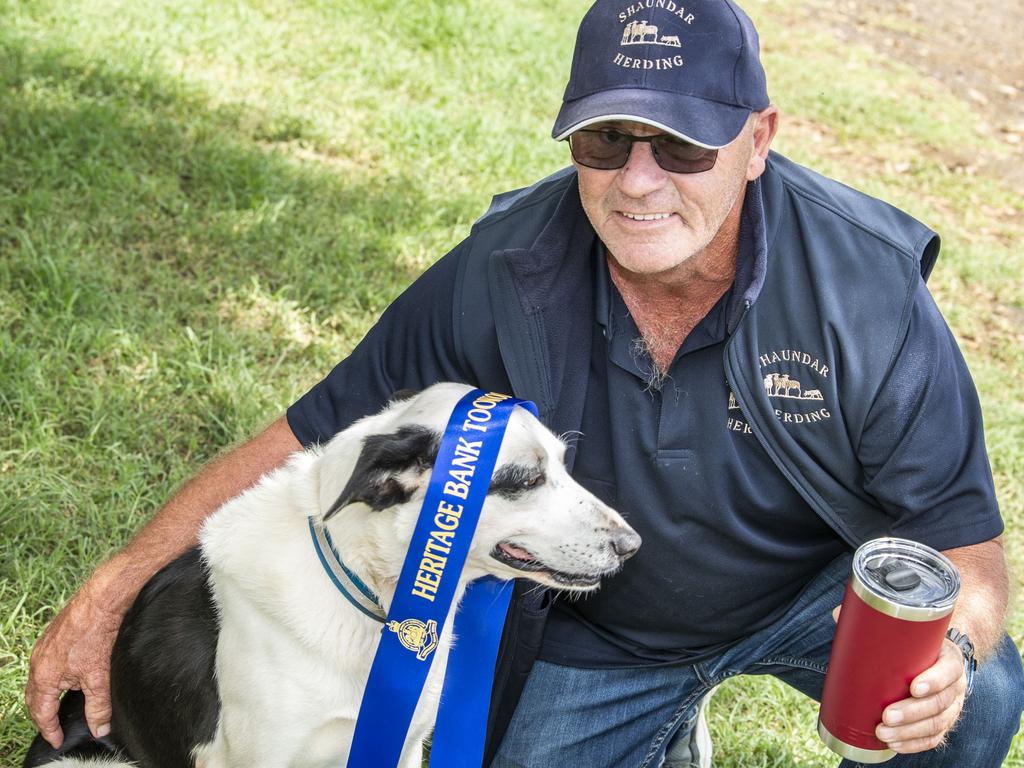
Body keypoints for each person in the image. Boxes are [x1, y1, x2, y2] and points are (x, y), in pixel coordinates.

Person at [26, 0, 1023, 766]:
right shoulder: (507, 265)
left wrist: (956, 654)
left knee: (974, 703)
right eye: (605, 140)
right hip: (600, 629)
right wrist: (113, 590)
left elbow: (964, 547)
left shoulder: (863, 287)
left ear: (756, 142)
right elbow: (306, 439)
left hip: (806, 599)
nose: (638, 179)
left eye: (680, 145)